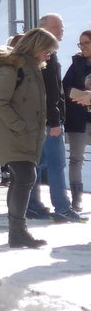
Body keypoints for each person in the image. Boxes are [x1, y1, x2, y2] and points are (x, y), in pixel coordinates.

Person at [0, 26, 60, 249]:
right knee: (26, 177)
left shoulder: (32, 67)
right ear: (36, 47)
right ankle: (18, 231)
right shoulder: (13, 67)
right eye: (47, 52)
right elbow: (0, 102)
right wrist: (19, 126)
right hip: (13, 134)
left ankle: (16, 232)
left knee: (22, 179)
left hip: (26, 134)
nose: (48, 57)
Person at [35, 13, 85, 223]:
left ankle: (32, 205)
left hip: (44, 121)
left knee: (39, 164)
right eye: (57, 27)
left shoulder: (46, 54)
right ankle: (62, 207)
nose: (62, 30)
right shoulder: (45, 56)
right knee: (56, 164)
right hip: (49, 122)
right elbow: (49, 93)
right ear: (45, 29)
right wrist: (55, 121)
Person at [62, 28, 91, 212]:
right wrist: (78, 94)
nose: (83, 47)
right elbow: (65, 86)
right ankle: (76, 198)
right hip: (79, 116)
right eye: (80, 43)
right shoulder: (77, 63)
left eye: (86, 43)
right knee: (76, 158)